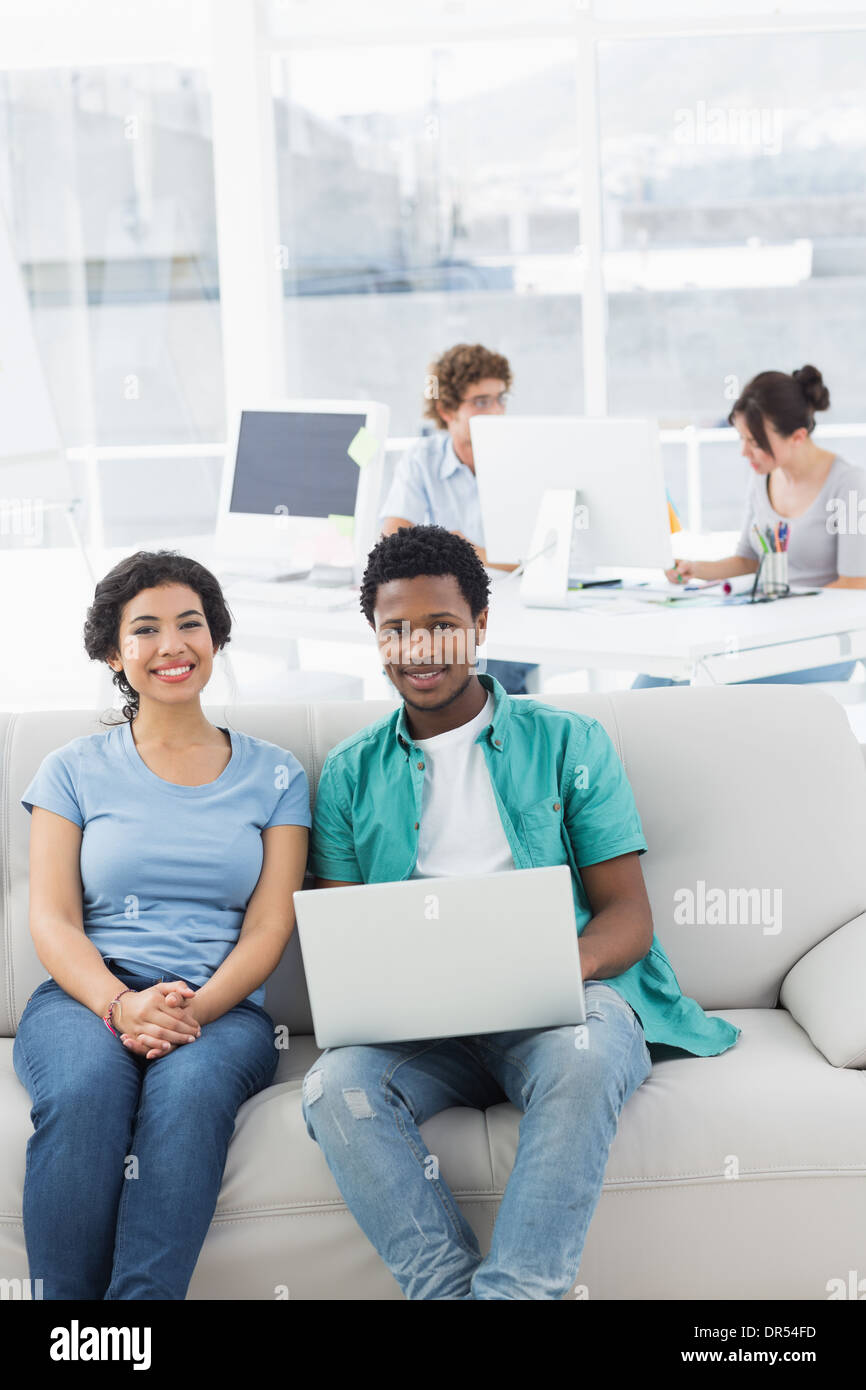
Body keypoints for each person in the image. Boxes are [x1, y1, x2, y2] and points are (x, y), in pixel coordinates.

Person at [300, 524, 739, 1301]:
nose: (420, 648)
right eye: (395, 629)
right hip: (419, 1031)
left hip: (556, 1009)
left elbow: (626, 918)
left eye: (442, 625)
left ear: (481, 626)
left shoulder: (570, 741)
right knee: (334, 1088)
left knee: (588, 1053)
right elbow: (343, 941)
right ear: (373, 637)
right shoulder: (347, 774)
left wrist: (546, 967)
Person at [13, 550, 310, 1299]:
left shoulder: (276, 776)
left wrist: (190, 1011)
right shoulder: (71, 770)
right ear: (114, 653)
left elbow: (269, 928)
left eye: (191, 624)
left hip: (221, 1009)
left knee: (187, 1099)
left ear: (216, 639)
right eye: (145, 630)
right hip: (87, 998)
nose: (172, 645)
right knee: (82, 1091)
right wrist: (121, 1006)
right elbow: (52, 918)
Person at [634, 365, 866, 689]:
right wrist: (695, 568)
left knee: (706, 682)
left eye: (754, 442)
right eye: (742, 439)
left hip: (821, 646)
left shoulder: (849, 484)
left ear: (798, 436)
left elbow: (857, 585)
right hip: (764, 631)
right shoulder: (762, 475)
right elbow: (748, 560)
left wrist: (787, 603)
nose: (744, 452)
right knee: (657, 676)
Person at [379, 341, 537, 695]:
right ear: (447, 409)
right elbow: (393, 538)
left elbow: (536, 558)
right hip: (444, 609)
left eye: (501, 398)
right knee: (409, 661)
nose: (496, 412)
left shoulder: (523, 458)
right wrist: (462, 551)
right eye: (482, 402)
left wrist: (462, 550)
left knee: (488, 673)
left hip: (514, 614)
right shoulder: (423, 459)